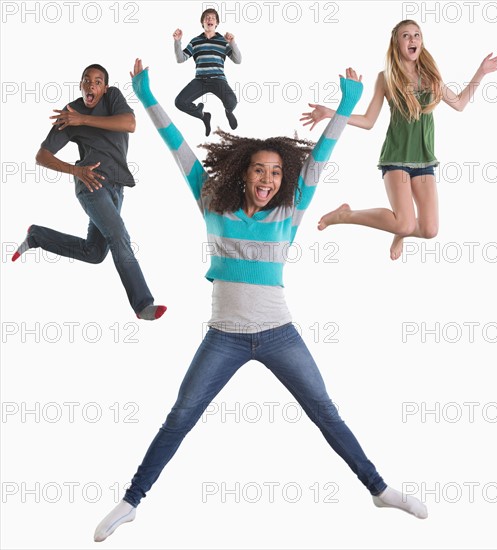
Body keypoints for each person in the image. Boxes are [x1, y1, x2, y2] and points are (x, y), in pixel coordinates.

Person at [93, 58, 428, 543]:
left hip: (278, 335)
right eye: (258, 171)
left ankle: (378, 488)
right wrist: (146, 96)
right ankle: (131, 501)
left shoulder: (290, 211)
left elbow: (321, 158)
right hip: (223, 338)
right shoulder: (212, 201)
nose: (267, 179)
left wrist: (347, 105)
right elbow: (179, 150)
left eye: (275, 172)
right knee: (182, 416)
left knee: (326, 411)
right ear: (242, 174)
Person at [301, 20, 497, 260]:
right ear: (397, 43)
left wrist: (480, 72)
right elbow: (368, 121)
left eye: (417, 35)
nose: (412, 40)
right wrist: (331, 113)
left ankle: (401, 230)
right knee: (405, 223)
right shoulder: (386, 78)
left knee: (430, 230)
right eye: (406, 36)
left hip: (424, 160)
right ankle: (345, 215)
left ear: (422, 42)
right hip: (396, 159)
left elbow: (460, 104)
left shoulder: (432, 79)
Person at [11, 64, 166, 320]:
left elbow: (130, 123)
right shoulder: (71, 113)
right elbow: (42, 156)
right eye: (86, 81)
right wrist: (75, 170)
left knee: (94, 253)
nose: (91, 85)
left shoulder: (113, 98)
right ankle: (142, 304)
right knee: (119, 235)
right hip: (91, 184)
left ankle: (37, 236)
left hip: (118, 187)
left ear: (104, 88)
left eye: (97, 81)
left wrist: (81, 120)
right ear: (81, 85)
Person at [173, 8, 241, 136]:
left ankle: (228, 112)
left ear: (216, 23)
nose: (210, 19)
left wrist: (232, 43)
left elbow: (238, 60)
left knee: (232, 102)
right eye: (207, 18)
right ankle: (203, 115)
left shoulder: (223, 41)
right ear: (202, 23)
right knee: (179, 102)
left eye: (213, 18)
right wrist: (177, 41)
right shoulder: (195, 41)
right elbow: (180, 59)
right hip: (200, 80)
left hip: (218, 80)